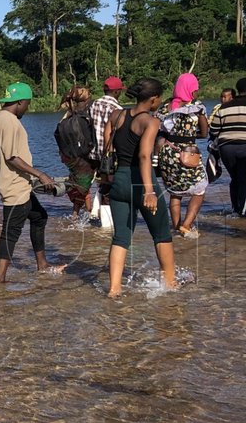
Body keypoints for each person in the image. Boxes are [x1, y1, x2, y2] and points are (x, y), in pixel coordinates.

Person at [102, 78, 177, 298]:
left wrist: (109, 172)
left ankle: (114, 289)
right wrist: (150, 191)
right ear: (154, 99)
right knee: (161, 234)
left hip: (119, 180)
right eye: (160, 98)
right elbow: (145, 155)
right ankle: (170, 283)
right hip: (141, 181)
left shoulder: (116, 115)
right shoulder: (150, 122)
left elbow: (106, 142)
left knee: (121, 237)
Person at [0, 82, 64, 284]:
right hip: (14, 187)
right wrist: (40, 174)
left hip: (18, 184)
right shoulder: (10, 121)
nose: (27, 108)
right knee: (10, 233)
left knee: (39, 217)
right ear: (20, 102)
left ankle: (42, 265)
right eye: (27, 104)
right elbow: (12, 157)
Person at [156, 71, 209, 237]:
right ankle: (186, 225)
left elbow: (158, 130)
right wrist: (190, 136)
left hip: (167, 153)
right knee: (200, 188)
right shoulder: (197, 107)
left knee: (175, 192)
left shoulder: (165, 106)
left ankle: (176, 226)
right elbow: (205, 132)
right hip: (187, 153)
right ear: (191, 89)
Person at [54, 86, 96, 218]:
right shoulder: (88, 112)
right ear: (87, 98)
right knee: (85, 183)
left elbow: (58, 134)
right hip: (84, 155)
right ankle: (86, 213)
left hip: (69, 156)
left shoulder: (68, 115)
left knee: (82, 182)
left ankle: (77, 213)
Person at [88, 77, 125, 218]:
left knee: (103, 184)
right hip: (111, 154)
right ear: (116, 92)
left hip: (96, 154)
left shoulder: (94, 104)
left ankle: (98, 213)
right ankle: (109, 219)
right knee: (112, 187)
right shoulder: (118, 109)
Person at [209, 77, 246, 215]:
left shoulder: (224, 107)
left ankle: (235, 209)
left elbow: (213, 131)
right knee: (244, 179)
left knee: (235, 178)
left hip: (226, 148)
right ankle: (242, 211)